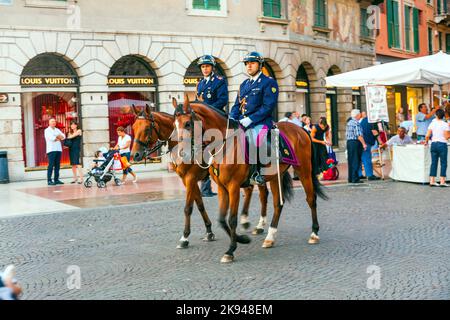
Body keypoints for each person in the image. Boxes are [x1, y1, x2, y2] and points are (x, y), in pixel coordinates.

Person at [230, 51, 279, 185]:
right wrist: (231, 118)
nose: (249, 66)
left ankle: (257, 172)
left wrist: (251, 119)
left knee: (254, 140)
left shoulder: (268, 82)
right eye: (247, 64)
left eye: (252, 63)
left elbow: (268, 106)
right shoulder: (244, 84)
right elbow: (236, 105)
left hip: (261, 122)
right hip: (242, 122)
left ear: (260, 65)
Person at [196, 54, 229, 196]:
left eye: (207, 66)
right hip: (203, 120)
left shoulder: (219, 81)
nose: (205, 69)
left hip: (217, 118)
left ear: (212, 67)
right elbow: (198, 101)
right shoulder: (200, 84)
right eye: (203, 66)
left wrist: (207, 110)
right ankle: (205, 187)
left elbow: (223, 100)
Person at [425, 109, 450, 187]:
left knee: (434, 163)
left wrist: (426, 142)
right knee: (443, 163)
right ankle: (442, 181)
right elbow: (447, 137)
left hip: (433, 144)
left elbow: (427, 136)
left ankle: (432, 180)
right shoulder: (445, 124)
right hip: (442, 144)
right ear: (443, 116)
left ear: (436, 115)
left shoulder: (432, 123)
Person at [346, 109, 367, 184]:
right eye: (360, 114)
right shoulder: (356, 123)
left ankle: (351, 177)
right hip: (355, 143)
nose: (360, 115)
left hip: (349, 142)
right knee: (356, 160)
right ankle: (355, 178)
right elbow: (359, 136)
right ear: (357, 115)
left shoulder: (350, 122)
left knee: (351, 160)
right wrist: (364, 144)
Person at [358, 116, 381, 181]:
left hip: (360, 141)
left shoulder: (364, 120)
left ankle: (359, 174)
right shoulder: (372, 121)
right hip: (366, 142)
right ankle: (370, 175)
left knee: (360, 159)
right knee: (367, 158)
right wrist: (380, 141)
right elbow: (374, 132)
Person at [44, 118, 65, 186]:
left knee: (57, 165)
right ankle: (49, 180)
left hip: (58, 149)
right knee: (51, 165)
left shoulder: (57, 129)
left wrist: (58, 137)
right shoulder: (47, 130)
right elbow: (52, 138)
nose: (54, 123)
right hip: (51, 150)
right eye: (52, 121)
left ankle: (56, 179)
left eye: (54, 122)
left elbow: (63, 136)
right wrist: (58, 137)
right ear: (49, 123)